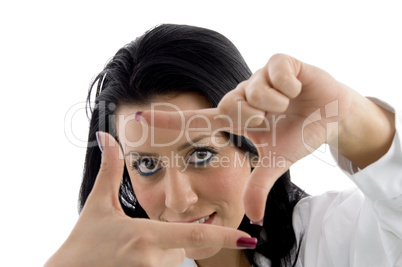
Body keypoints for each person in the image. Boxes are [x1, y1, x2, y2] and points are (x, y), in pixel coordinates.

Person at [45, 24, 401, 266]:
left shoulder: (331, 237)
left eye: (201, 154)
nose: (179, 200)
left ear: (250, 146)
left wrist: (352, 117)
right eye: (147, 166)